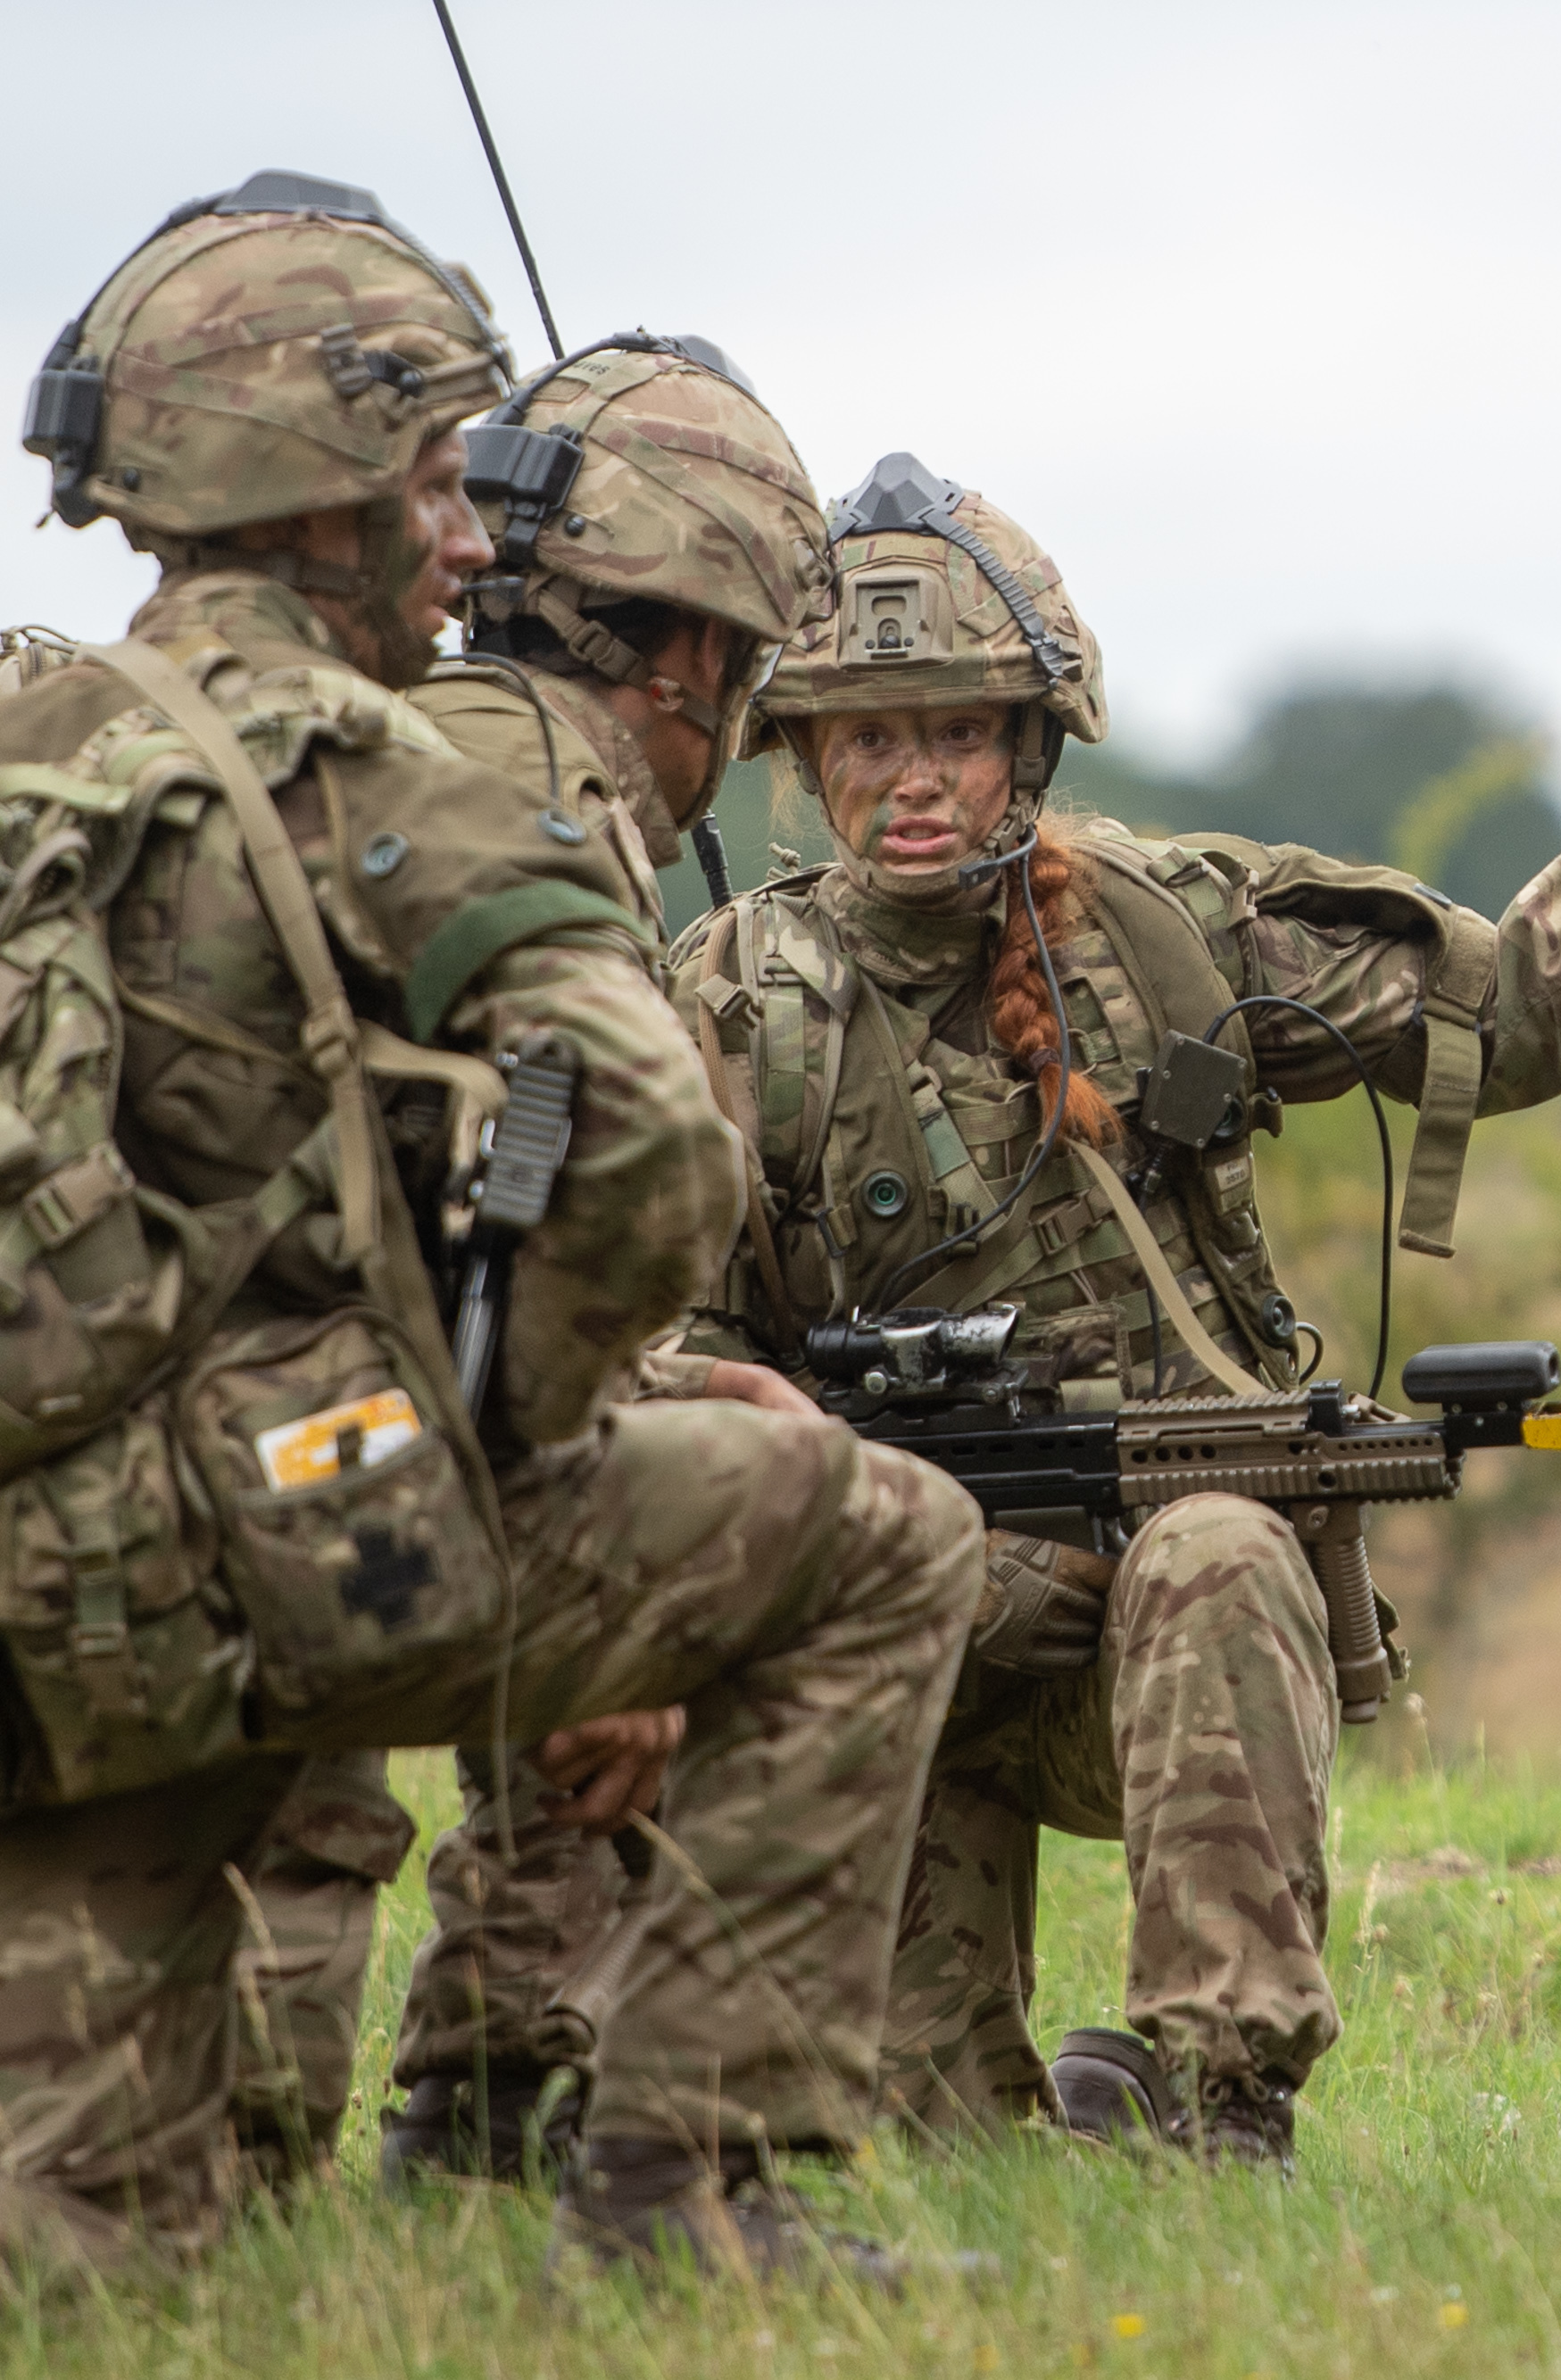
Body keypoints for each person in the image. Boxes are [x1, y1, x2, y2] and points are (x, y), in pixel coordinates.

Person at [669, 454, 1561, 2163]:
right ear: (809, 760)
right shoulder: (725, 1006)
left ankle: (1226, 2106)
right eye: (869, 738)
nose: (914, 780)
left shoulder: (1161, 937)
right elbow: (639, 1341)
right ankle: (1080, 2106)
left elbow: (1498, 1008)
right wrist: (844, 1498)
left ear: (1031, 747)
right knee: (943, 2168)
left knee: (1218, 1547)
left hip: (1149, 1611)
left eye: (958, 733)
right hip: (884, 1634)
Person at [0, 174, 976, 2281]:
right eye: (436, 486)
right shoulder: (384, 781)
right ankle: (688, 2193)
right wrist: (484, 1435)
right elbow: (640, 1153)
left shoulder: (22, 735)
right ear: (328, 492)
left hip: (41, 1566)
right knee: (881, 1530)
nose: (466, 549)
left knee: (89, 2260)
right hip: (269, 1541)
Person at [369, 333, 836, 2183]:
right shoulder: (555, 832)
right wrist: (610, 1585)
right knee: (807, 1524)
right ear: (706, 654)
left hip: (205, 1446)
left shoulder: (371, 738)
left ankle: (435, 2117)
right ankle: (626, 2142)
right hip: (323, 1471)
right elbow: (524, 1241)